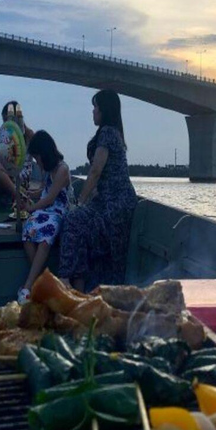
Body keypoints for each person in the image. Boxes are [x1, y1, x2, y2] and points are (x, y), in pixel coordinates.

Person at [58, 89, 137, 291]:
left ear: (104, 110)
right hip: (108, 200)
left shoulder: (107, 132)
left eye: (95, 107)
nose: (93, 111)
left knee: (72, 220)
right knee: (81, 227)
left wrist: (79, 203)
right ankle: (79, 284)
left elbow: (95, 172)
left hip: (115, 206)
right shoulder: (113, 132)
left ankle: (65, 280)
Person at [17, 130, 74, 303]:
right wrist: (28, 194)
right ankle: (44, 280)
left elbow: (51, 198)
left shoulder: (62, 169)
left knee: (45, 238)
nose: (36, 161)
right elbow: (44, 192)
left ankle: (28, 285)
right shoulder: (47, 170)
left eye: (36, 157)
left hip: (58, 210)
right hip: (45, 210)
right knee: (28, 231)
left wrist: (31, 207)